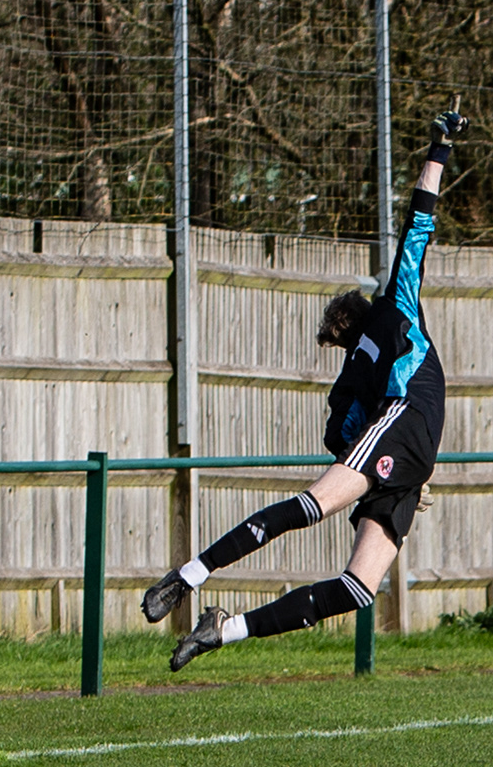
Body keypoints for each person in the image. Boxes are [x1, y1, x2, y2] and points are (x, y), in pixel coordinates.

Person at [149, 111, 461, 668]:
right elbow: (419, 220)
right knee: (316, 511)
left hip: (410, 455)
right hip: (404, 426)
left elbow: (337, 435)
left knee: (358, 585)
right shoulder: (396, 307)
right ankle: (189, 575)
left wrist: (379, 461)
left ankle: (221, 627)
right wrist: (438, 149)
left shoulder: (348, 382)